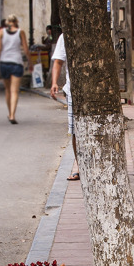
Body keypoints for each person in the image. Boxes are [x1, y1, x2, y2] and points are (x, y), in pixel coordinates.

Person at [0, 14, 32, 124]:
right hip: (16, 63)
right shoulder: (21, 32)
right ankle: (12, 115)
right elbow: (25, 49)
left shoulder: (1, 32)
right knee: (14, 90)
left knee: (7, 90)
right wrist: (30, 63)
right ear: (16, 22)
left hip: (4, 63)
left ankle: (9, 112)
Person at [50, 33, 79, 181]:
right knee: (75, 130)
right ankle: (79, 166)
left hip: (96, 90)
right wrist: (54, 82)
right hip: (73, 89)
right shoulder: (66, 35)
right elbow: (58, 61)